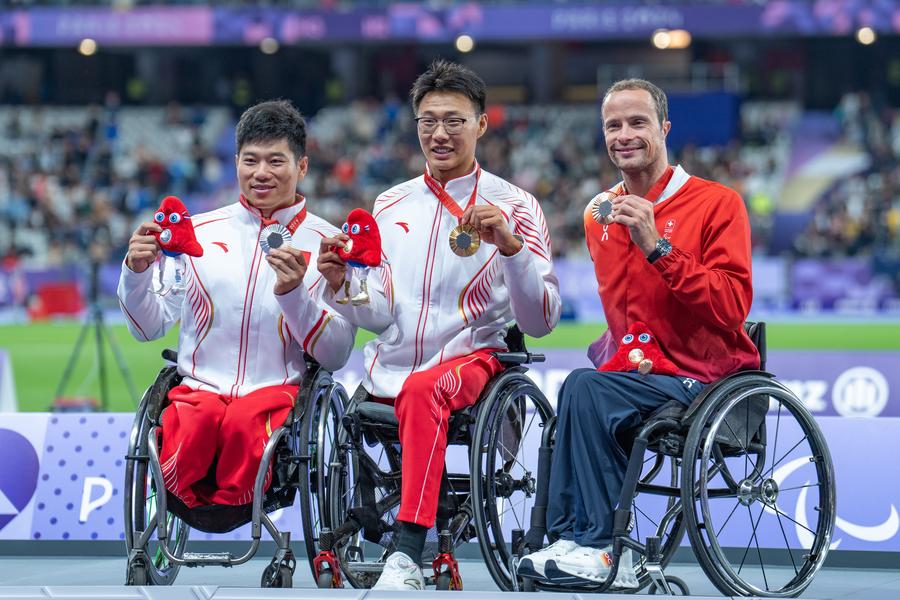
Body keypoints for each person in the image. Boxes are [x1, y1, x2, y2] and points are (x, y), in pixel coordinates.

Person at [317, 59, 562, 590]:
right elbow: (379, 313)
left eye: (454, 120)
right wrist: (343, 285)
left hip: (473, 361)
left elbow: (542, 320)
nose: (440, 134)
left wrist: (512, 248)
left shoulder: (516, 205)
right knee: (407, 390)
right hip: (390, 368)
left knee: (424, 391)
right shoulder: (390, 204)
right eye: (428, 121)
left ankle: (406, 552)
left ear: (482, 124)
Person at [518, 79, 760, 586]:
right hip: (640, 378)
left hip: (705, 380)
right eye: (613, 125)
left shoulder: (718, 203)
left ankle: (602, 546)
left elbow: (733, 306)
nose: (624, 134)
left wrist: (658, 247)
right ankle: (568, 540)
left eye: (637, 122)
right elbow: (626, 314)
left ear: (664, 129)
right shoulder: (598, 215)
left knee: (587, 389)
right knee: (582, 387)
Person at [118, 100, 355, 508]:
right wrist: (136, 273)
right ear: (236, 163)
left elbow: (335, 355)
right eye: (251, 160)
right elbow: (147, 328)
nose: (261, 173)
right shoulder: (197, 235)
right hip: (199, 392)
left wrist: (295, 294)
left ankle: (237, 501)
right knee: (195, 427)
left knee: (245, 426)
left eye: (276, 161)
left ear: (302, 166)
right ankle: (181, 496)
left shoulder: (329, 246)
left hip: (276, 397)